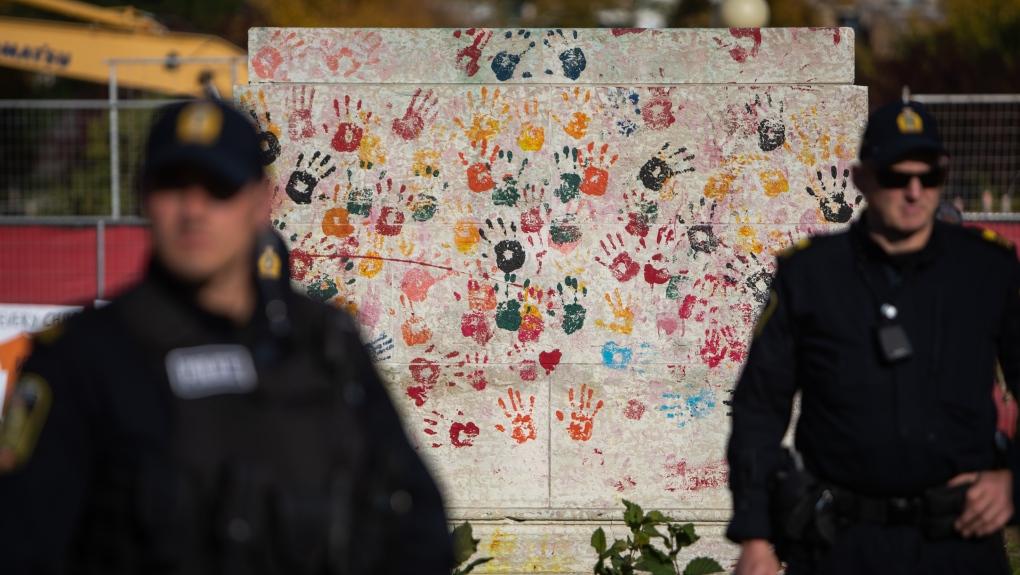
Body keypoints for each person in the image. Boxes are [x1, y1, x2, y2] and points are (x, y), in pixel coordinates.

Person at [0, 99, 453, 574]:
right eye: (173, 186)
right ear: (143, 195)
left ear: (261, 202)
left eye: (219, 188)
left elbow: (419, 530)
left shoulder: (324, 344)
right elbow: (22, 546)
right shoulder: (83, 358)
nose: (194, 209)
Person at [727, 99, 1020, 575]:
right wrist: (756, 535)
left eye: (929, 177)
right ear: (863, 180)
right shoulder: (811, 277)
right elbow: (759, 407)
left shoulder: (987, 271)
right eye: (895, 177)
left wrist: (1013, 482)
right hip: (841, 544)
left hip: (959, 542)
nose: (913, 191)